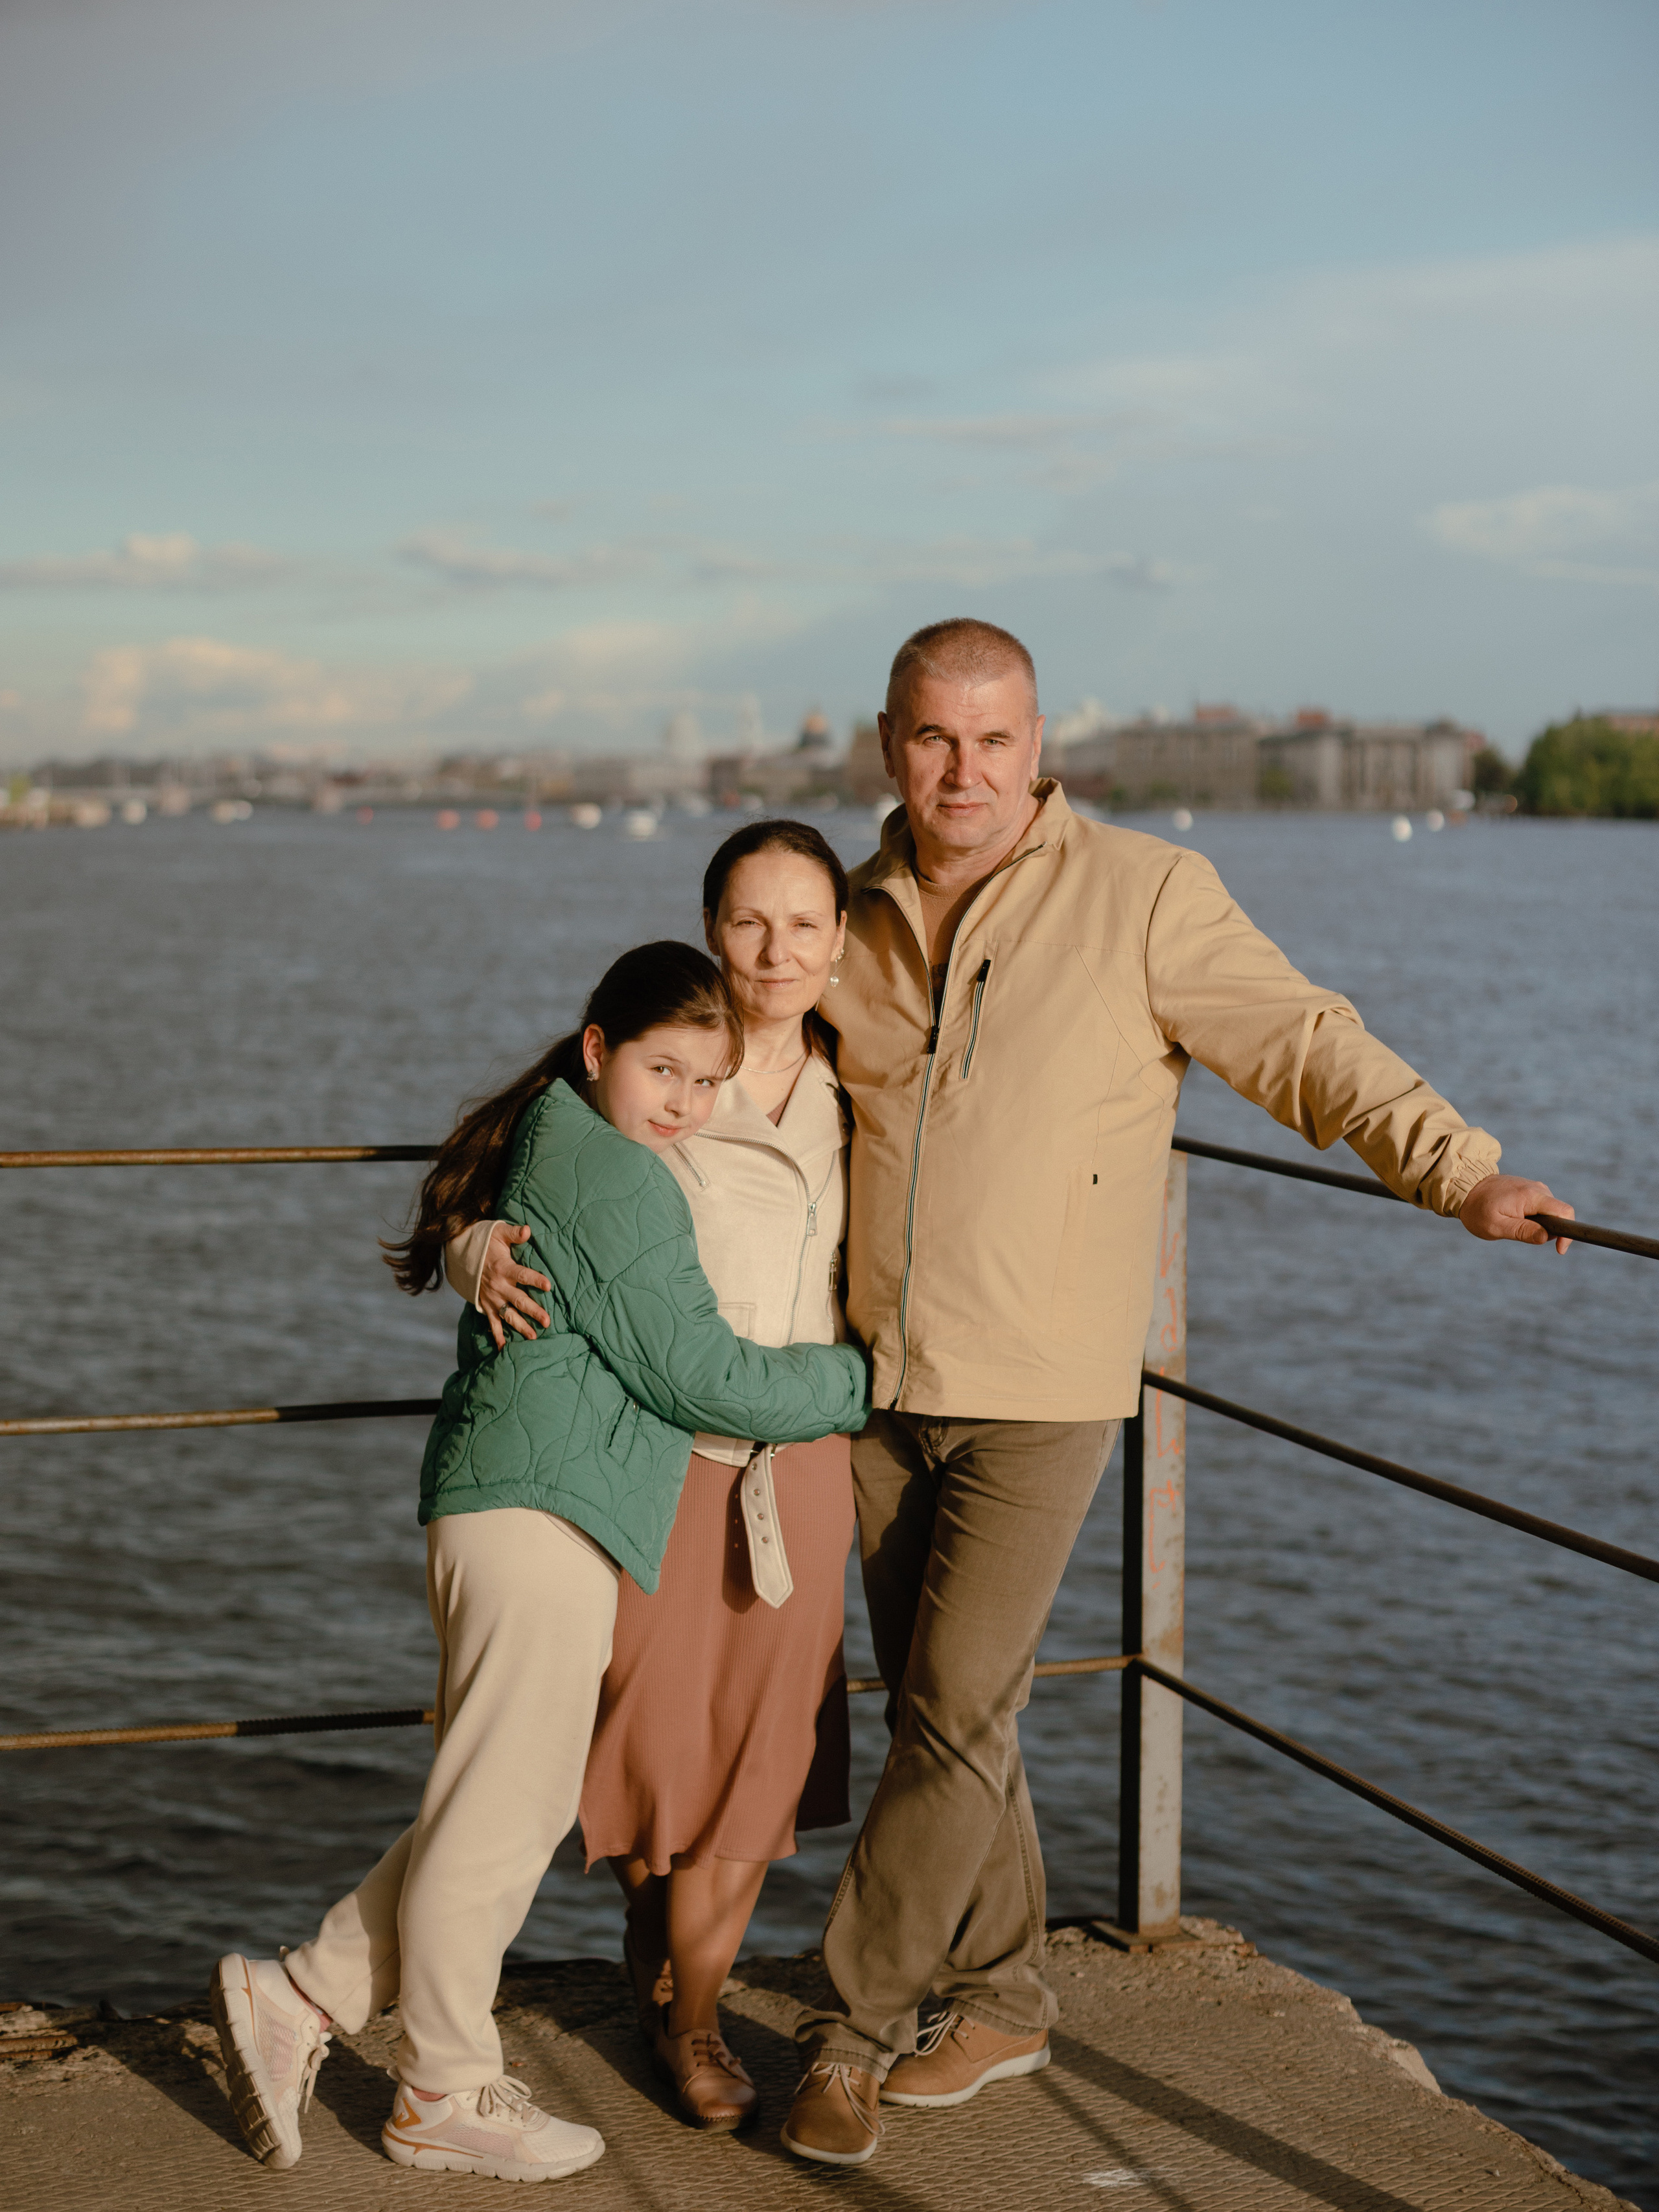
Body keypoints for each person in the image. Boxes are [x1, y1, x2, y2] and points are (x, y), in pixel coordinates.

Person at [780, 618, 1577, 2168]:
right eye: (934, 739)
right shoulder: (844, 914)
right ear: (888, 745)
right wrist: (510, 1184)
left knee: (947, 1713)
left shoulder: (1142, 894)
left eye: (993, 739)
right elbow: (709, 1059)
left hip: (1045, 1386)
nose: (964, 771)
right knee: (952, 1720)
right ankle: (1005, 1999)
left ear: (1037, 742)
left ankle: (850, 2032)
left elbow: (1300, 1044)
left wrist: (1460, 1172)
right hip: (869, 1378)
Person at [209, 940, 868, 2184]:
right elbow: (700, 1375)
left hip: (532, 1500)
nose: (681, 1100)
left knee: (490, 1792)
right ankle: (444, 2089)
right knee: (508, 1809)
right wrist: (863, 1377)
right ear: (597, 1048)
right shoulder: (617, 1177)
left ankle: (303, 1991)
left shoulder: (576, 1137)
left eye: (705, 1078)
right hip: (540, 1510)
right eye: (661, 1067)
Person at [452, 821, 857, 2133]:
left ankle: (691, 2017)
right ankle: (662, 1956)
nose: (775, 951)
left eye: (804, 925)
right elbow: (520, 1175)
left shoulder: (865, 1081)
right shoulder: (666, 1074)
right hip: (663, 1460)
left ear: (840, 941)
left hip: (801, 1466)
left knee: (761, 1755)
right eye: (748, 921)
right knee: (652, 1743)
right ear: (709, 926)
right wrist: (470, 1248)